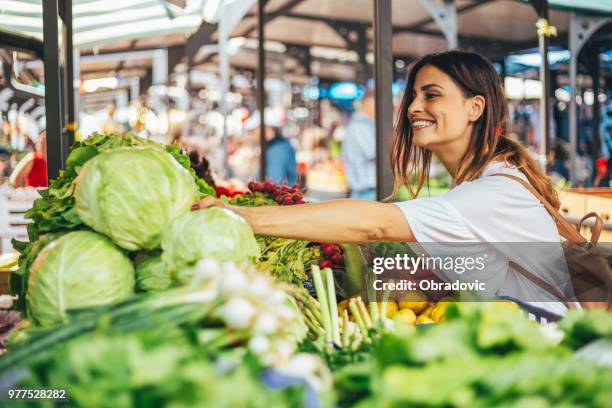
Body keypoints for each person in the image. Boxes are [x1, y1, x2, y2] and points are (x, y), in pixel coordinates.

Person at [194, 51, 569, 314]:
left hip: (545, 350)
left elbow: (376, 224)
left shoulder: (493, 190)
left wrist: (241, 215)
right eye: (414, 96)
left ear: (475, 107)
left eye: (432, 95)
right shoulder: (484, 180)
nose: (412, 108)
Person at [245, 108, 297, 185]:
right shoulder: (275, 147)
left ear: (267, 129)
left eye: (254, 130)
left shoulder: (278, 150)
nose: (252, 134)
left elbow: (273, 183)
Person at [341, 90, 376, 199]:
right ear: (369, 103)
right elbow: (373, 152)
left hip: (363, 191)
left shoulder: (359, 124)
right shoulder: (361, 125)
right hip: (365, 191)